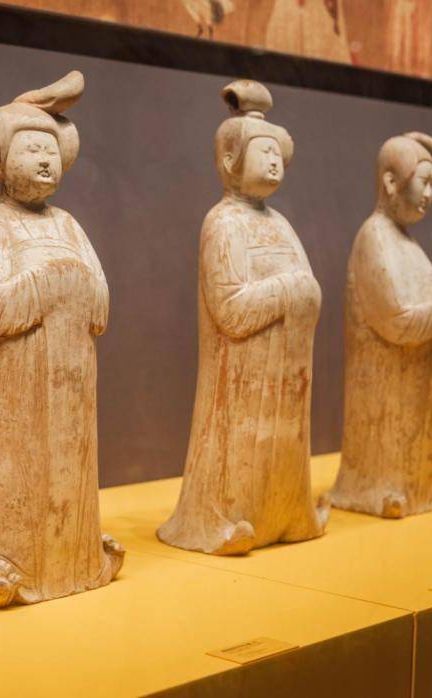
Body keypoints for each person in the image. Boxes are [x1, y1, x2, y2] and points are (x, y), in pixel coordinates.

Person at [0, 71, 123, 607]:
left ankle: (75, 555)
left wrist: (65, 284)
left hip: (71, 383)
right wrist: (56, 282)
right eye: (30, 149)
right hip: (12, 392)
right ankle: (2, 560)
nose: (44, 160)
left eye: (50, 151)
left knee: (69, 469)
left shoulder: (68, 225)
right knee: (12, 470)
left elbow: (100, 307)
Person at [158, 80, 327, 556]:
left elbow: (309, 288)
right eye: (263, 151)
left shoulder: (281, 224)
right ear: (230, 160)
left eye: (278, 154)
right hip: (241, 378)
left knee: (282, 443)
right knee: (239, 445)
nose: (274, 162)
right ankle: (224, 518)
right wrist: (289, 291)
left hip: (286, 374)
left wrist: (300, 293)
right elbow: (231, 310)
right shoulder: (223, 223)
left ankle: (286, 512)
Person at [327, 132, 432, 518]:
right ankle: (380, 486)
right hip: (386, 383)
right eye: (424, 182)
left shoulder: (405, 241)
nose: (430, 194)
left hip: (415, 387)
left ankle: (418, 483)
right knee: (386, 430)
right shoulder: (374, 237)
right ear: (390, 181)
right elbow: (397, 320)